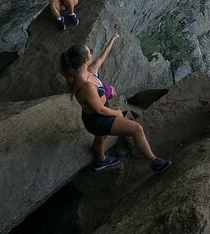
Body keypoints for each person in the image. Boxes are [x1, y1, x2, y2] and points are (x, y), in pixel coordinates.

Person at [60, 33, 171, 172]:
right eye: (90, 52)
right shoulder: (86, 86)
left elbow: (102, 57)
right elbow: (99, 109)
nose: (92, 52)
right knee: (136, 129)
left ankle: (100, 160)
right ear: (84, 60)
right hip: (98, 119)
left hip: (92, 117)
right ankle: (154, 161)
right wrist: (117, 113)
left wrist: (112, 40)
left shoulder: (86, 72)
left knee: (100, 138)